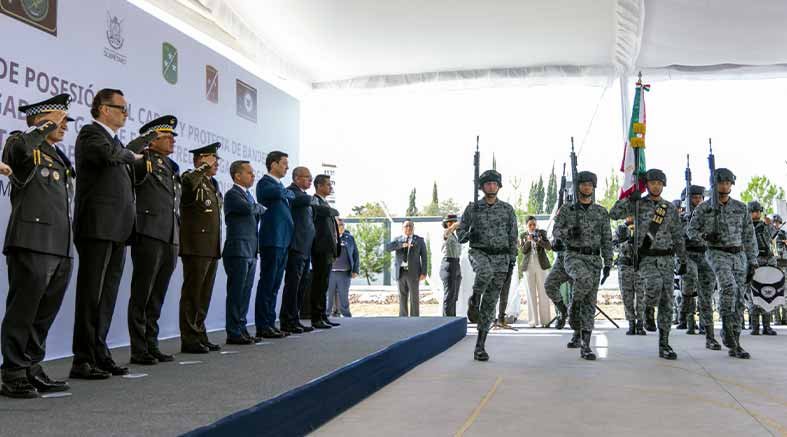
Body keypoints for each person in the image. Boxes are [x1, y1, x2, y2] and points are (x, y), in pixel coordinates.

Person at [71, 89, 153, 379]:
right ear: (104, 109)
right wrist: (132, 152)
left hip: (118, 228)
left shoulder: (117, 144)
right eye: (121, 108)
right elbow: (108, 156)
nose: (125, 113)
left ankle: (99, 353)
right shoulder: (90, 134)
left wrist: (135, 156)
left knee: (107, 296)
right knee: (91, 294)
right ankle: (82, 358)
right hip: (97, 226)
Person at [1, 95, 75, 398]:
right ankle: (12, 372)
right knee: (24, 309)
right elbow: (16, 152)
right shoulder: (22, 143)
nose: (63, 126)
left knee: (44, 311)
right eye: (59, 119)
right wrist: (44, 127)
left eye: (64, 121)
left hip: (59, 243)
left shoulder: (57, 155)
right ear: (40, 119)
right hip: (32, 241)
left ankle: (31, 366)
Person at [611, 169, 686, 360]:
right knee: (653, 285)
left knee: (667, 302)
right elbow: (613, 214)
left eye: (659, 183)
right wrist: (629, 199)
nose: (656, 186)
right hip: (645, 257)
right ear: (647, 184)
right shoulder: (638, 204)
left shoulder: (668, 208)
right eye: (652, 183)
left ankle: (664, 343)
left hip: (667, 259)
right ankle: (646, 309)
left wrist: (683, 259)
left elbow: (677, 235)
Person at [128, 116, 181, 365]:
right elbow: (126, 156)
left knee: (157, 294)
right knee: (142, 293)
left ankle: (151, 343)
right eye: (165, 136)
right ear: (151, 139)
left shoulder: (171, 167)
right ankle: (139, 348)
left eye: (172, 136)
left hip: (170, 236)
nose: (171, 140)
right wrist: (143, 145)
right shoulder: (143, 160)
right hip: (148, 232)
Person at [688, 168, 757, 359]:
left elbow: (749, 236)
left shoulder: (741, 208)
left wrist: (753, 261)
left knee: (739, 298)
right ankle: (728, 333)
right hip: (716, 253)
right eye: (721, 183)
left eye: (728, 183)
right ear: (714, 184)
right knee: (728, 287)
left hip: (739, 255)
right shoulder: (705, 208)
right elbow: (691, 230)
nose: (725, 186)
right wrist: (705, 236)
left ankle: (734, 338)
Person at [457, 170, 517, 361]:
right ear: (481, 187)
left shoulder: (507, 209)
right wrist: (469, 234)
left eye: (494, 183)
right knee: (485, 273)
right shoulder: (472, 208)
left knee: (490, 303)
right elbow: (460, 234)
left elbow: (513, 236)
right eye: (487, 183)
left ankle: (480, 346)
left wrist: (512, 261)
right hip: (479, 252)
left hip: (501, 258)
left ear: (499, 186)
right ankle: (474, 298)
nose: (491, 186)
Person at [554, 171, 613, 360]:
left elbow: (607, 239)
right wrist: (569, 231)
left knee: (590, 302)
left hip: (594, 259)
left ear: (594, 187)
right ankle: (572, 306)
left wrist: (608, 263)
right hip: (573, 256)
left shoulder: (601, 212)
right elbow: (555, 231)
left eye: (590, 184)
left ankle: (586, 345)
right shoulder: (567, 210)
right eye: (583, 184)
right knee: (583, 279)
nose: (586, 187)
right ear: (578, 186)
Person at [179, 143, 223, 353]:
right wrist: (202, 168)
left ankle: (200, 333)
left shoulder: (212, 183)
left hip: (210, 246)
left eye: (216, 160)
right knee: (192, 293)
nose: (216, 163)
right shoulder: (191, 177)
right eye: (212, 159)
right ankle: (189, 338)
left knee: (204, 294)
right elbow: (187, 186)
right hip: (196, 245)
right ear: (200, 159)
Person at [223, 161, 265, 345]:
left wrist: (258, 208)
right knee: (236, 293)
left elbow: (254, 209)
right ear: (237, 175)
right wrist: (259, 208)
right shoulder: (232, 194)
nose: (252, 176)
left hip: (250, 250)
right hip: (238, 250)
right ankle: (233, 331)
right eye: (249, 173)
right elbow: (250, 209)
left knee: (245, 293)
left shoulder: (248, 196)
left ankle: (241, 328)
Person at [255, 151, 294, 338]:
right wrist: (286, 192)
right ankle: (263, 325)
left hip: (283, 241)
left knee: (275, 285)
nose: (287, 167)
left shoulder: (280, 186)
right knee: (268, 283)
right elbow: (282, 193)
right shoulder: (265, 183)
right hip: (272, 239)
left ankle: (270, 323)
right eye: (284, 163)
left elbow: (289, 194)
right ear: (273, 164)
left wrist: (286, 192)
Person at [680, 185, 721, 350]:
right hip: (688, 255)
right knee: (690, 281)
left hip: (706, 255)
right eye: (694, 197)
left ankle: (706, 327)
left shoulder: (708, 216)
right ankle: (687, 317)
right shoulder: (682, 218)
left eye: (699, 197)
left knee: (706, 294)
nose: (697, 200)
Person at [280, 167, 315, 334]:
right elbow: (302, 201)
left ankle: (295, 318)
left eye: (311, 177)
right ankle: (287, 320)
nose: (310, 180)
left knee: (301, 285)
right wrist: (311, 199)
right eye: (307, 177)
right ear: (296, 178)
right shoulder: (291, 192)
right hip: (296, 245)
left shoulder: (303, 195)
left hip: (305, 246)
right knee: (293, 284)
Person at [310, 175, 342, 328]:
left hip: (328, 248)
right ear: (319, 186)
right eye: (328, 185)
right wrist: (331, 211)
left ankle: (323, 315)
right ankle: (316, 317)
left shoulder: (325, 202)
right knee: (319, 283)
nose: (331, 188)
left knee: (324, 284)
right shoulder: (315, 201)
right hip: (320, 247)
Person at [386, 220, 428, 317]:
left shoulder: (419, 240)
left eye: (410, 226)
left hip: (413, 273)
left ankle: (414, 319)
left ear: (413, 227)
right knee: (402, 297)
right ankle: (403, 318)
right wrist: (401, 245)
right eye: (406, 226)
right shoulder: (398, 239)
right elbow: (388, 248)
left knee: (414, 298)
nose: (408, 228)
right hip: (400, 272)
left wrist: (424, 272)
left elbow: (425, 258)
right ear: (402, 228)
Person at [748, 201, 778, 336]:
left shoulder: (764, 225)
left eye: (758, 211)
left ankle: (767, 326)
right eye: (754, 211)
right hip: (755, 260)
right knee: (754, 295)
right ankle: (755, 326)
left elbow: (771, 236)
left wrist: (769, 225)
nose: (757, 213)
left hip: (768, 260)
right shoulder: (745, 225)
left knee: (768, 294)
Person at [614, 215, 645, 335]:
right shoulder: (620, 229)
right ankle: (631, 323)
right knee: (627, 296)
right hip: (625, 266)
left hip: (640, 266)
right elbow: (614, 246)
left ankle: (640, 323)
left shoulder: (643, 227)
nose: (631, 216)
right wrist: (626, 242)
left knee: (641, 296)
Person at [520, 216, 552, 328]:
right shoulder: (523, 235)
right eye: (530, 225)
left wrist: (539, 240)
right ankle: (533, 321)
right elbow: (523, 251)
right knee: (530, 293)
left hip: (541, 265)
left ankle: (546, 321)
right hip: (528, 266)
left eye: (534, 224)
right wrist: (529, 241)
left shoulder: (542, 233)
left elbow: (549, 247)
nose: (532, 227)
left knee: (543, 292)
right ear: (526, 225)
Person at [327, 218, 360, 318]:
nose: (341, 226)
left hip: (344, 273)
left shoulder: (349, 238)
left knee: (344, 296)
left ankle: (346, 316)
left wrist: (355, 270)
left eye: (342, 225)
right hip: (330, 273)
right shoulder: (328, 237)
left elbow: (355, 254)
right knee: (328, 297)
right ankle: (325, 315)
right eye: (339, 225)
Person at [440, 214, 463, 316]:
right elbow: (446, 234)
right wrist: (454, 226)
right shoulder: (446, 233)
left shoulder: (454, 235)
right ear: (446, 224)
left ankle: (452, 320)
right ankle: (446, 322)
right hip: (448, 264)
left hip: (456, 264)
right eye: (450, 222)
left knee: (454, 297)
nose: (453, 224)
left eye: (454, 222)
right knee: (449, 296)